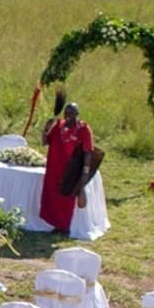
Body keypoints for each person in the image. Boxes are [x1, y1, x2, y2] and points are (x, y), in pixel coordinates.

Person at [39, 100, 95, 235]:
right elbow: (45, 142)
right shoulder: (58, 125)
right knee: (53, 196)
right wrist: (46, 129)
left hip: (70, 169)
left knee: (66, 198)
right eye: (66, 112)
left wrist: (85, 172)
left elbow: (88, 151)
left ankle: (64, 227)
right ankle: (56, 224)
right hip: (54, 168)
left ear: (77, 114)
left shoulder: (83, 129)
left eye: (72, 112)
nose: (68, 115)